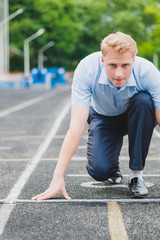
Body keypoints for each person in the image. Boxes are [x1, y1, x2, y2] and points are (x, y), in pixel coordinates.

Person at [32, 32, 160, 200]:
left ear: (134, 61)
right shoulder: (87, 69)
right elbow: (75, 127)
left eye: (125, 66)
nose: (119, 74)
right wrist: (58, 176)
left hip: (135, 115)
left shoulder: (148, 72)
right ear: (102, 60)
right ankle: (112, 168)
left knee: (144, 101)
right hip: (103, 117)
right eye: (113, 65)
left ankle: (136, 176)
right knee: (99, 171)